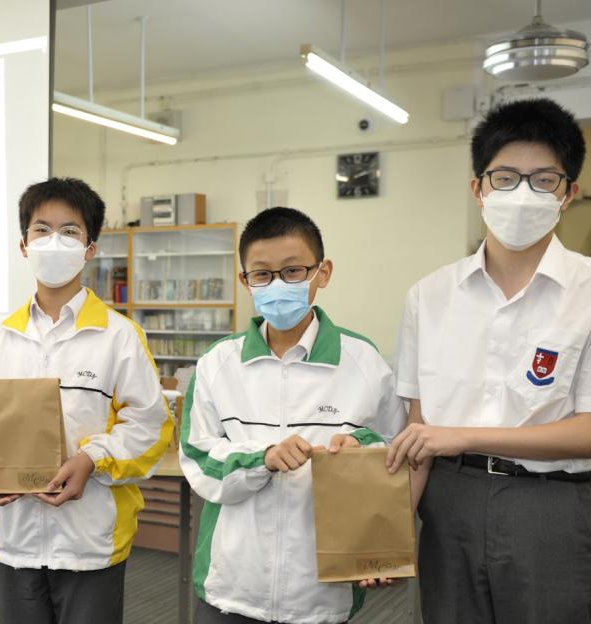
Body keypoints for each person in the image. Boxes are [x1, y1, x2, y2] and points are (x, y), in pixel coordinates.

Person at [390, 97, 590, 624]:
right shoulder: (429, 295)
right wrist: (388, 530)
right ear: (478, 189)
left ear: (568, 193)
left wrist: (464, 436)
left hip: (551, 506)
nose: (522, 194)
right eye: (505, 178)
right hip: (448, 500)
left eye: (543, 180)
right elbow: (418, 429)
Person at [0, 177, 172, 624]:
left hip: (89, 541)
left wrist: (92, 460)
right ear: (23, 245)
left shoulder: (119, 336)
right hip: (14, 538)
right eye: (42, 230)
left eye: (69, 231)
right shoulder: (0, 339)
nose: (54, 241)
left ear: (90, 248)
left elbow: (152, 427)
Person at [180, 207, 407, 623]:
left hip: (320, 592)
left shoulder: (363, 362)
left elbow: (396, 451)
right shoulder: (218, 363)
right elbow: (197, 457)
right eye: (262, 274)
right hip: (233, 585)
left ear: (322, 272)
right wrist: (262, 458)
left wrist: (360, 446)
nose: (277, 285)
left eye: (292, 271)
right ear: (245, 281)